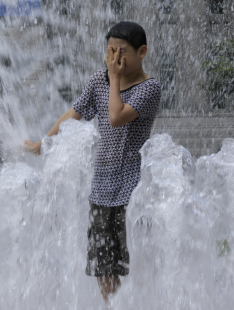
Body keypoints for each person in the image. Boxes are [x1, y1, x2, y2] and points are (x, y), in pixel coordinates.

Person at [24, 21, 162, 305]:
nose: (115, 59)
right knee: (103, 264)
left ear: (142, 52)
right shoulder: (100, 81)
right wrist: (42, 145)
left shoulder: (150, 88)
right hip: (101, 189)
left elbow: (116, 116)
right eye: (110, 51)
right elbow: (74, 112)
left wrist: (113, 78)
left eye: (122, 52)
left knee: (137, 262)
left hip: (133, 190)